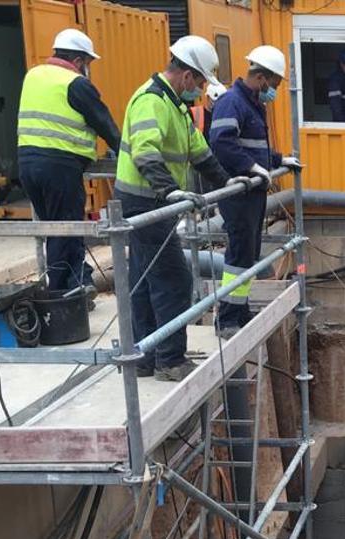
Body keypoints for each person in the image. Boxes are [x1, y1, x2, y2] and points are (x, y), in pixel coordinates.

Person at [114, 35, 240, 381]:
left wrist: (226, 181)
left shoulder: (176, 107)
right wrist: (170, 190)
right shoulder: (151, 101)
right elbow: (145, 152)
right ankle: (169, 360)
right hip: (144, 201)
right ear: (186, 76)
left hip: (152, 200)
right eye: (199, 82)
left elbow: (200, 153)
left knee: (144, 278)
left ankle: (145, 356)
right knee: (173, 278)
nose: (200, 90)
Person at [17, 28, 121, 294]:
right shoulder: (76, 84)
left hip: (27, 164)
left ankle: (79, 282)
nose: (87, 69)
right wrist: (126, 153)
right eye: (87, 63)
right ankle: (61, 296)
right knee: (65, 228)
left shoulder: (33, 75)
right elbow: (104, 124)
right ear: (78, 61)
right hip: (59, 166)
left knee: (57, 228)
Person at [209, 45, 300, 336]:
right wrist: (251, 167)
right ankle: (227, 318)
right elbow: (222, 143)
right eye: (274, 85)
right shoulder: (232, 102)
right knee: (238, 254)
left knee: (248, 253)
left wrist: (278, 160)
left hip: (252, 193)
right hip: (239, 193)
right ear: (261, 78)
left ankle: (240, 308)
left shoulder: (251, 105)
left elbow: (254, 148)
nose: (273, 91)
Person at [328, 48, 345, 122]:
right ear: (341, 64)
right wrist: (342, 123)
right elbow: (335, 105)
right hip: (343, 121)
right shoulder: (335, 79)